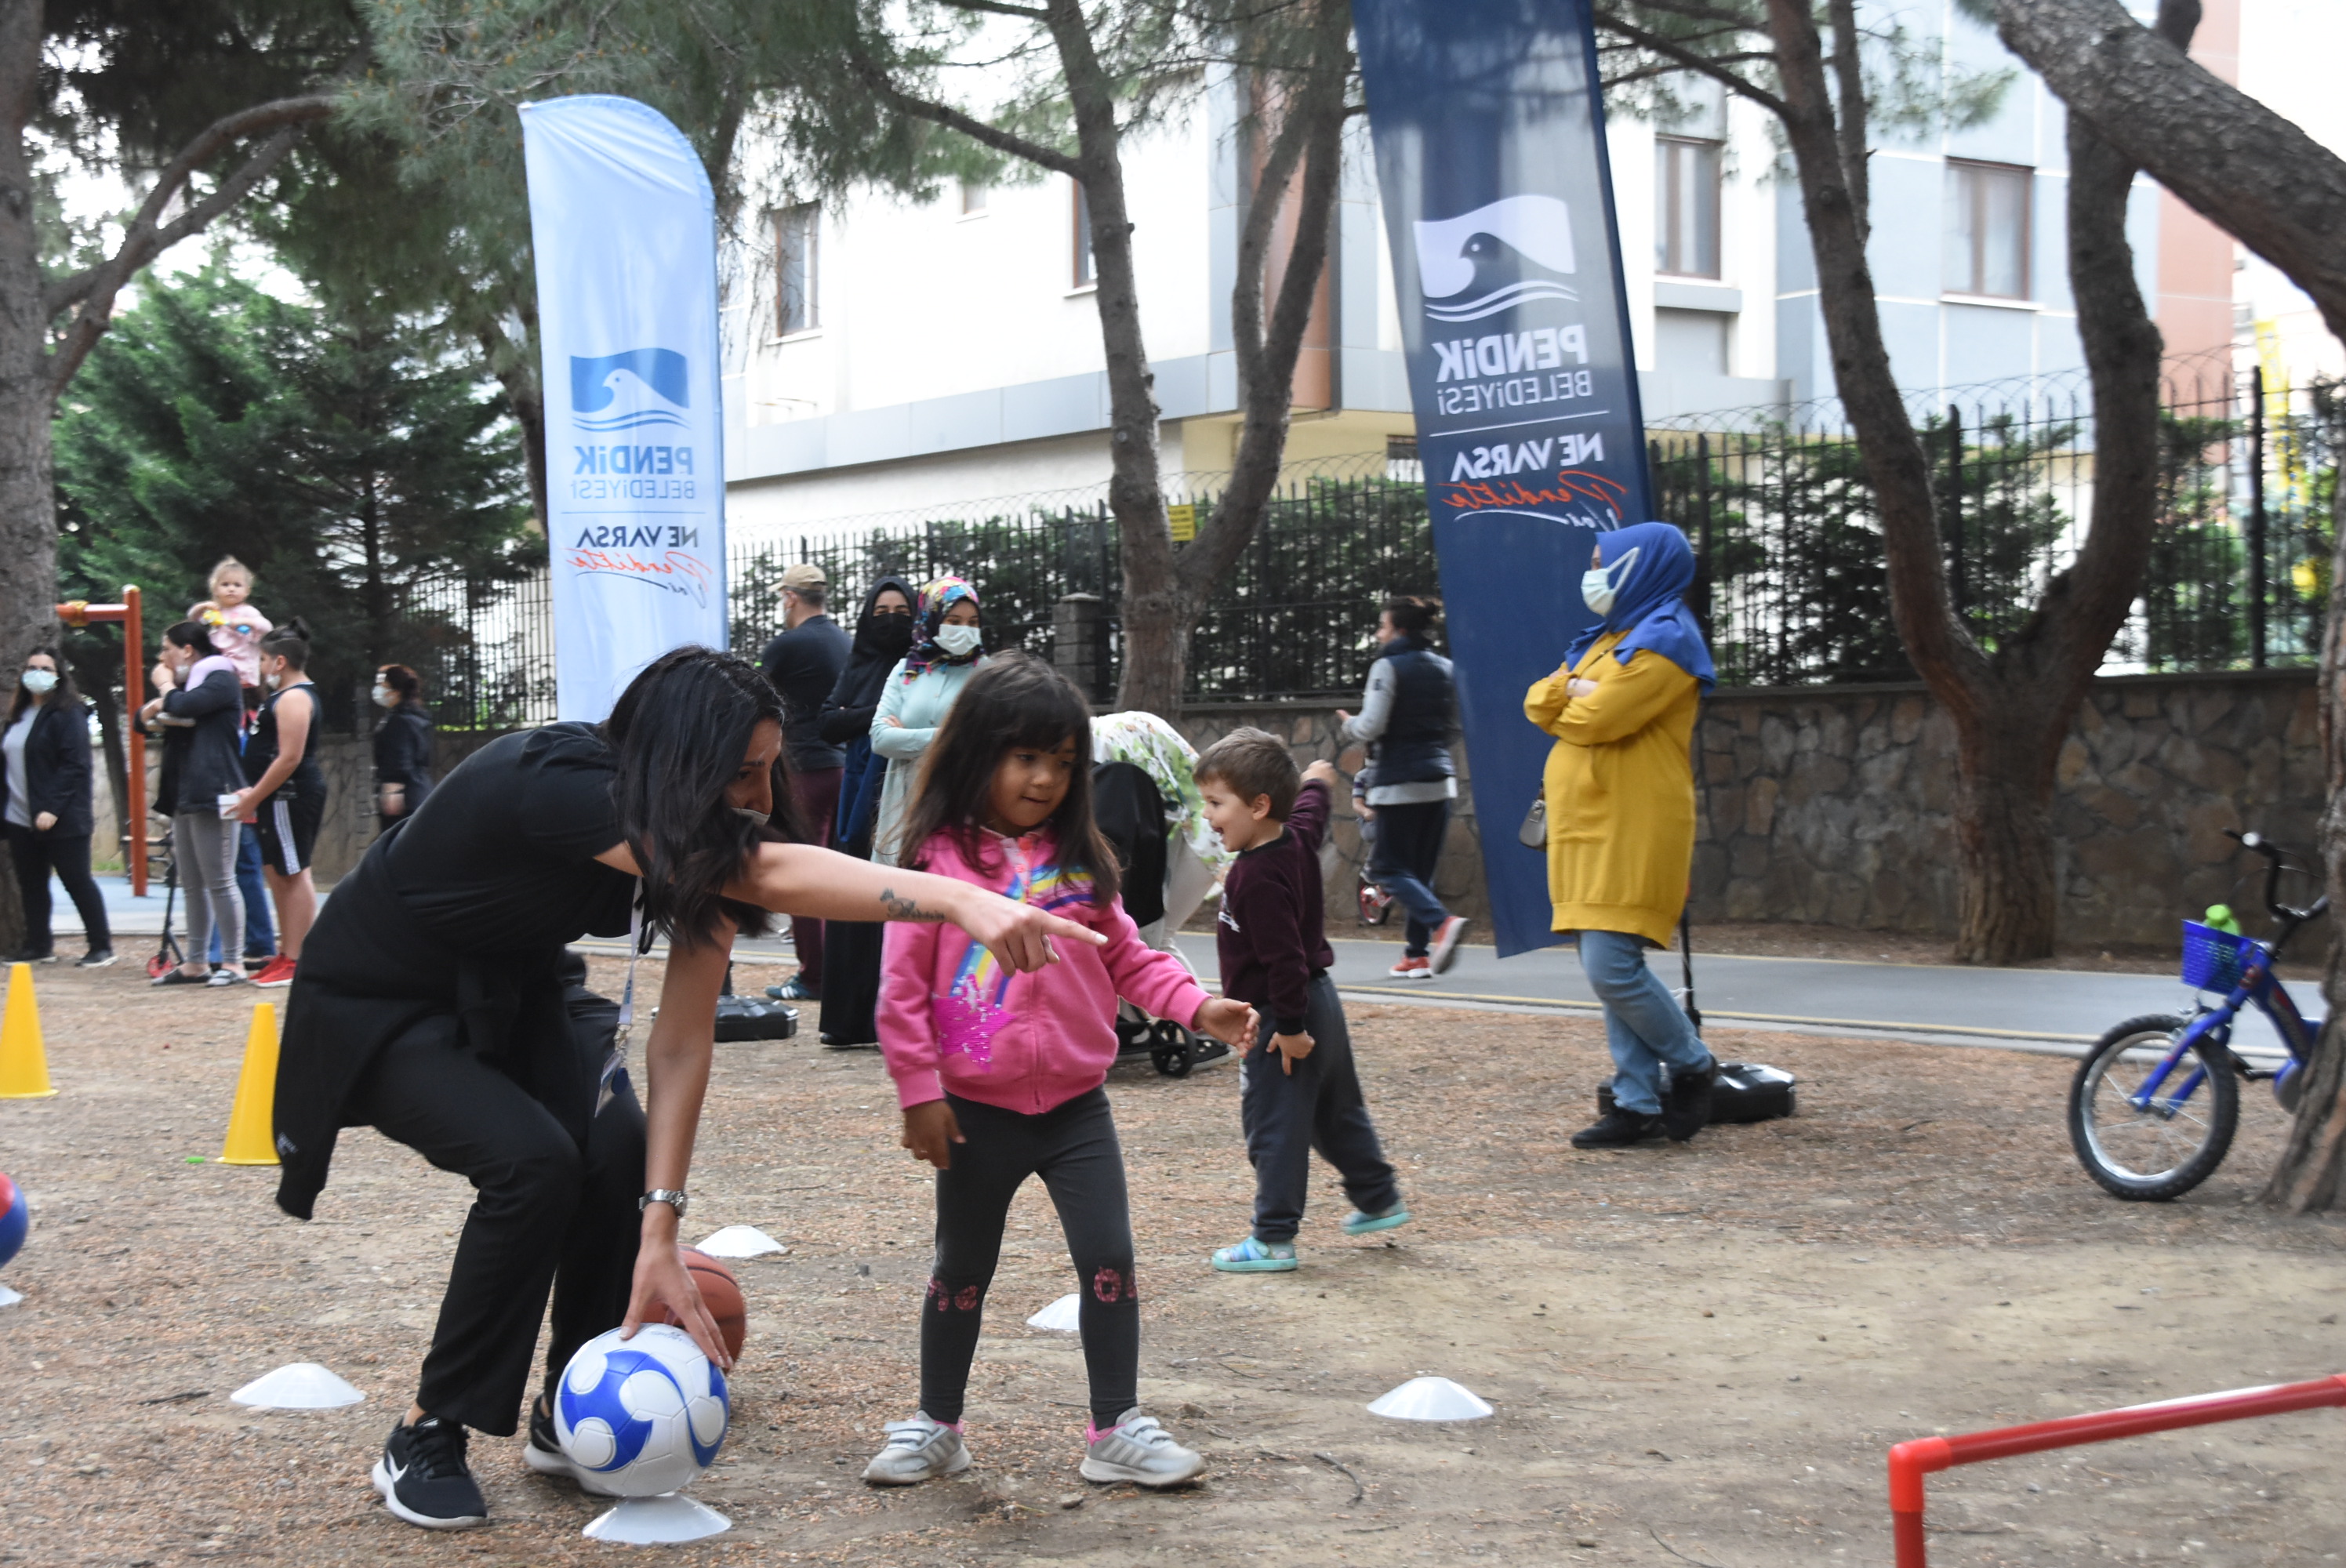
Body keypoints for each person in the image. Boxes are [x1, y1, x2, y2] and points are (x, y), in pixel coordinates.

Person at [268, 645, 1099, 1532]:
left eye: (769, 768)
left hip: (519, 986)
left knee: (616, 1145)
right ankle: (428, 1428)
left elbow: (680, 1040)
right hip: (383, 994)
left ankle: (569, 1403)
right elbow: (771, 870)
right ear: (682, 758)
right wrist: (955, 898)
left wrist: (658, 1221)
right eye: (743, 771)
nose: (761, 795)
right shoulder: (552, 777)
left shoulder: (698, 840)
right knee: (532, 1163)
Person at [866, 654, 1254, 1490]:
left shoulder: (1084, 861)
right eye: (1025, 757)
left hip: (1078, 1108)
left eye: (1063, 762)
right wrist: (918, 1094)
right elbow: (897, 994)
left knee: (1109, 1254)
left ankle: (1114, 1426)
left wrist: (1197, 1006)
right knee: (959, 1267)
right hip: (975, 1112)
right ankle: (937, 1424)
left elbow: (1132, 959)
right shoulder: (933, 867)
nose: (1044, 778)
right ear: (977, 754)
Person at [1525, 521, 1720, 1151]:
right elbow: (1537, 702)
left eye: (1602, 563)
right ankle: (1635, 1101)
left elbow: (1601, 718)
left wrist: (1577, 693)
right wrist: (1576, 687)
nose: (1592, 574)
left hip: (1634, 824)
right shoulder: (1610, 640)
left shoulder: (1668, 641)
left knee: (1611, 967)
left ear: (1640, 566)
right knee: (1609, 964)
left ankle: (1692, 1064)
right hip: (1585, 826)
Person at [1193, 729, 1407, 1272]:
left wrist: (1287, 1027)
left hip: (1283, 1014)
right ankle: (1378, 1197)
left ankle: (1273, 1238)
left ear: (1260, 805)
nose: (1210, 817)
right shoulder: (1292, 837)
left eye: (1217, 804)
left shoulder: (1255, 878)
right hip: (1321, 1001)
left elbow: (1283, 959)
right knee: (1336, 1112)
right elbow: (1310, 809)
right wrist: (1314, 780)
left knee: (1275, 1124)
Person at [809, 575, 917, 1045]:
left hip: (908, 795)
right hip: (859, 793)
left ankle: (899, 1015)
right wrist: (876, 715)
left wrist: (869, 718)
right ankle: (851, 1018)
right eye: (881, 613)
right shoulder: (857, 664)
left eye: (901, 612)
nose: (890, 621)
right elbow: (827, 722)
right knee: (855, 899)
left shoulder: (923, 667)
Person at [1337, 597, 1467, 979]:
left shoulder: (1387, 666)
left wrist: (1349, 725)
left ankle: (1442, 924)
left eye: (1383, 626)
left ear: (1401, 630)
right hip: (1440, 782)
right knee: (1419, 871)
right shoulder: (1447, 667)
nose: (1379, 633)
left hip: (1398, 782)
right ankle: (1416, 955)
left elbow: (1371, 726)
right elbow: (1456, 726)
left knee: (1386, 867)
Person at [756, 563, 851, 1001]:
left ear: (791, 597)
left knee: (799, 872)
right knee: (836, 872)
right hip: (841, 766)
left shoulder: (788, 645)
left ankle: (813, 976)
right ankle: (838, 969)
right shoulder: (844, 642)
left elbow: (753, 697)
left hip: (803, 768)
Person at [140, 622, 247, 988]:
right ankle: (196, 962)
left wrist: (163, 685)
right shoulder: (189, 684)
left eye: (167, 648)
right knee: (191, 882)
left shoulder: (220, 677)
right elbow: (149, 722)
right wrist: (157, 705)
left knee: (220, 880)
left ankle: (233, 963)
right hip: (185, 793)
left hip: (216, 790)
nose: (162, 658)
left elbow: (183, 705)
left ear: (187, 650)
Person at [1, 648, 114, 967]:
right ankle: (39, 946)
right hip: (20, 816)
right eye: (32, 667)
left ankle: (101, 946)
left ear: (59, 675)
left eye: (46, 668)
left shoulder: (69, 713)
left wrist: (52, 807)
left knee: (76, 879)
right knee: (31, 883)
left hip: (61, 816)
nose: (38, 673)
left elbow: (75, 766)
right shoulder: (18, 715)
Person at [233, 621, 326, 988]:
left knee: (294, 871)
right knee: (277, 872)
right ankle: (286, 952)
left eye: (264, 660)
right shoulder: (280, 697)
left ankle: (299, 957)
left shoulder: (294, 698)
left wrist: (253, 796)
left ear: (280, 662)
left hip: (291, 795)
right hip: (275, 799)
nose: (260, 667)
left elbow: (289, 758)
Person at [871, 576, 986, 866]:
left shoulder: (989, 675)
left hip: (962, 801)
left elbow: (982, 740)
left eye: (973, 622)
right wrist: (950, 736)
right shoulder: (907, 670)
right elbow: (880, 738)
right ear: (932, 619)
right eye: (954, 620)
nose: (965, 630)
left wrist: (907, 737)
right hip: (905, 801)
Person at [189, 556, 273, 692]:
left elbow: (267, 627)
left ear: (247, 591)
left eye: (237, 585)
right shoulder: (215, 611)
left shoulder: (247, 611)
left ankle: (190, 701)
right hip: (218, 658)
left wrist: (247, 622)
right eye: (225, 585)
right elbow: (194, 618)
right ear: (215, 589)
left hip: (239, 665)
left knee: (201, 668)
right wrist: (202, 607)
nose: (231, 589)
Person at [372, 664, 436, 831]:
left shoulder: (398, 721)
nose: (378, 690)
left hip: (404, 799)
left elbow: (400, 757)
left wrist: (392, 791)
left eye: (383, 685)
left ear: (396, 691)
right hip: (419, 793)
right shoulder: (418, 718)